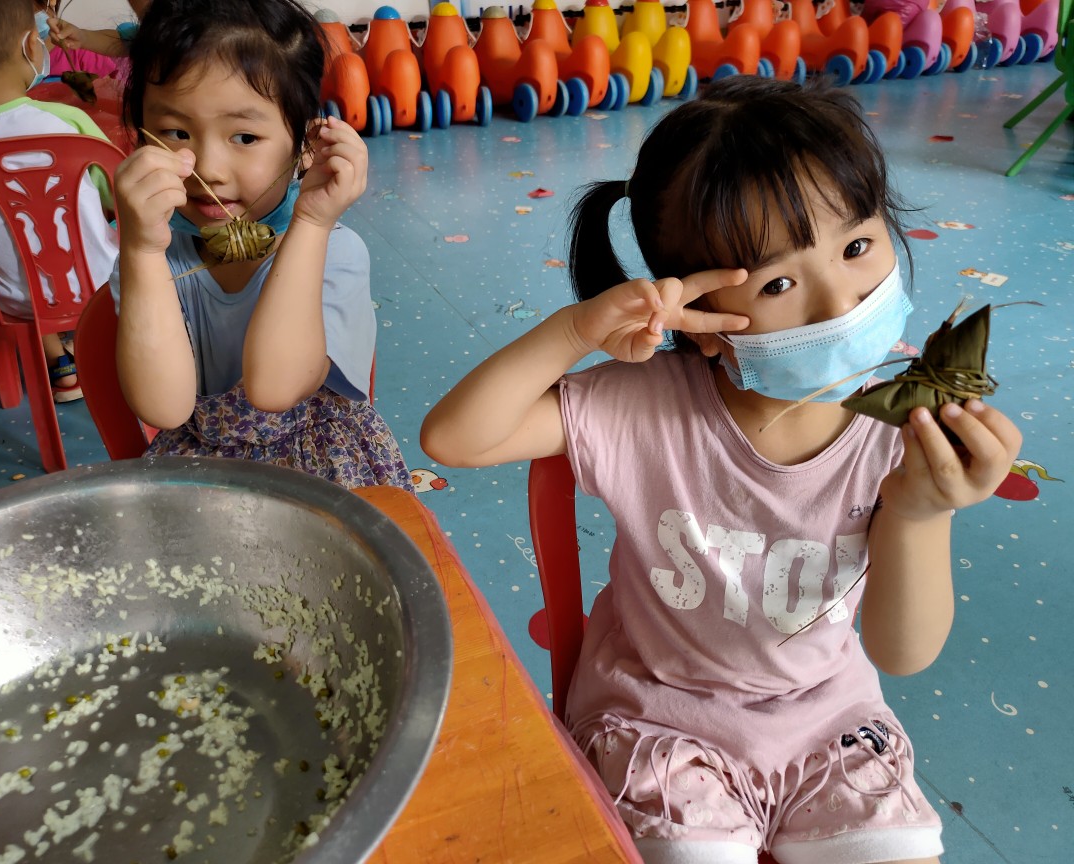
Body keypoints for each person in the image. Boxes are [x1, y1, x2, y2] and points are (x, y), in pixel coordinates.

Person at [421, 77, 1021, 864]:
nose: (839, 302)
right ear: (701, 321)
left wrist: (920, 511)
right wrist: (576, 330)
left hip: (828, 724)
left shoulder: (903, 427)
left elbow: (903, 653)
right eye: (779, 283)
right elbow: (453, 439)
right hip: (658, 722)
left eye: (856, 246)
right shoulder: (645, 407)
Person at [112, 0, 412, 490]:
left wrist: (311, 223)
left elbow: (275, 389)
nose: (208, 169)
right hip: (200, 473)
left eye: (245, 137)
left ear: (304, 145)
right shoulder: (152, 257)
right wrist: (141, 252)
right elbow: (164, 408)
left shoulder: (335, 251)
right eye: (175, 132)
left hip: (324, 469)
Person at [0, 0, 119, 402]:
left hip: (13, 300)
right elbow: (113, 195)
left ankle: (60, 365)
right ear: (32, 44)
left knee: (13, 254)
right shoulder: (70, 121)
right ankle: (107, 349)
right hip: (107, 283)